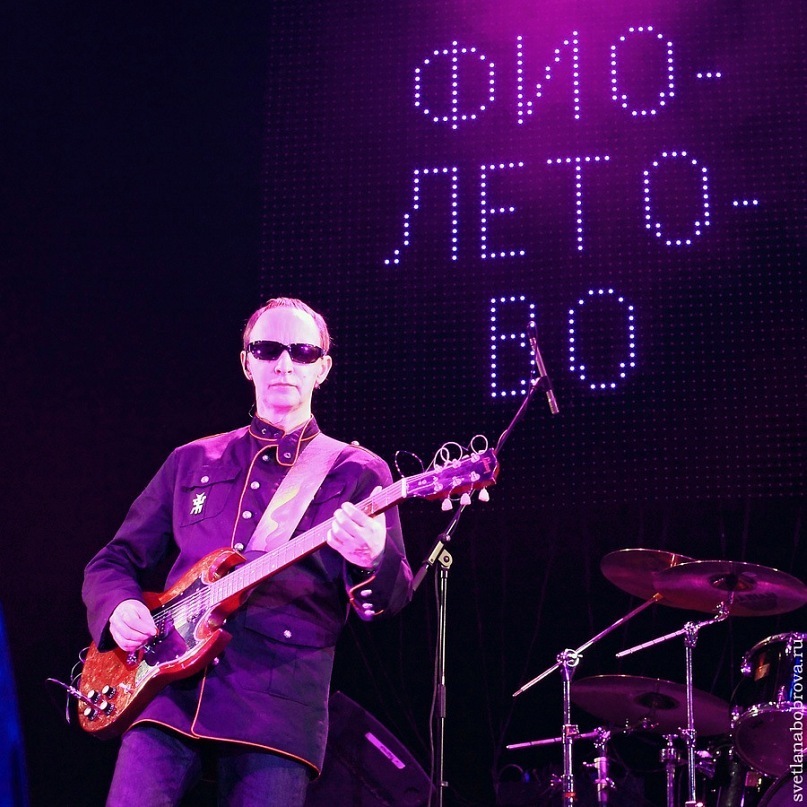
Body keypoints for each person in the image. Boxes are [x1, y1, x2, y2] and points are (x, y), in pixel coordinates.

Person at [82, 297, 413, 806]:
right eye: (268, 349)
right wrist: (119, 607)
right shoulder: (192, 459)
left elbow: (391, 597)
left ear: (322, 369)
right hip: (165, 695)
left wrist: (374, 557)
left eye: (303, 352)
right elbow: (113, 561)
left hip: (276, 710)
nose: (285, 364)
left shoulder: (358, 472)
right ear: (246, 362)